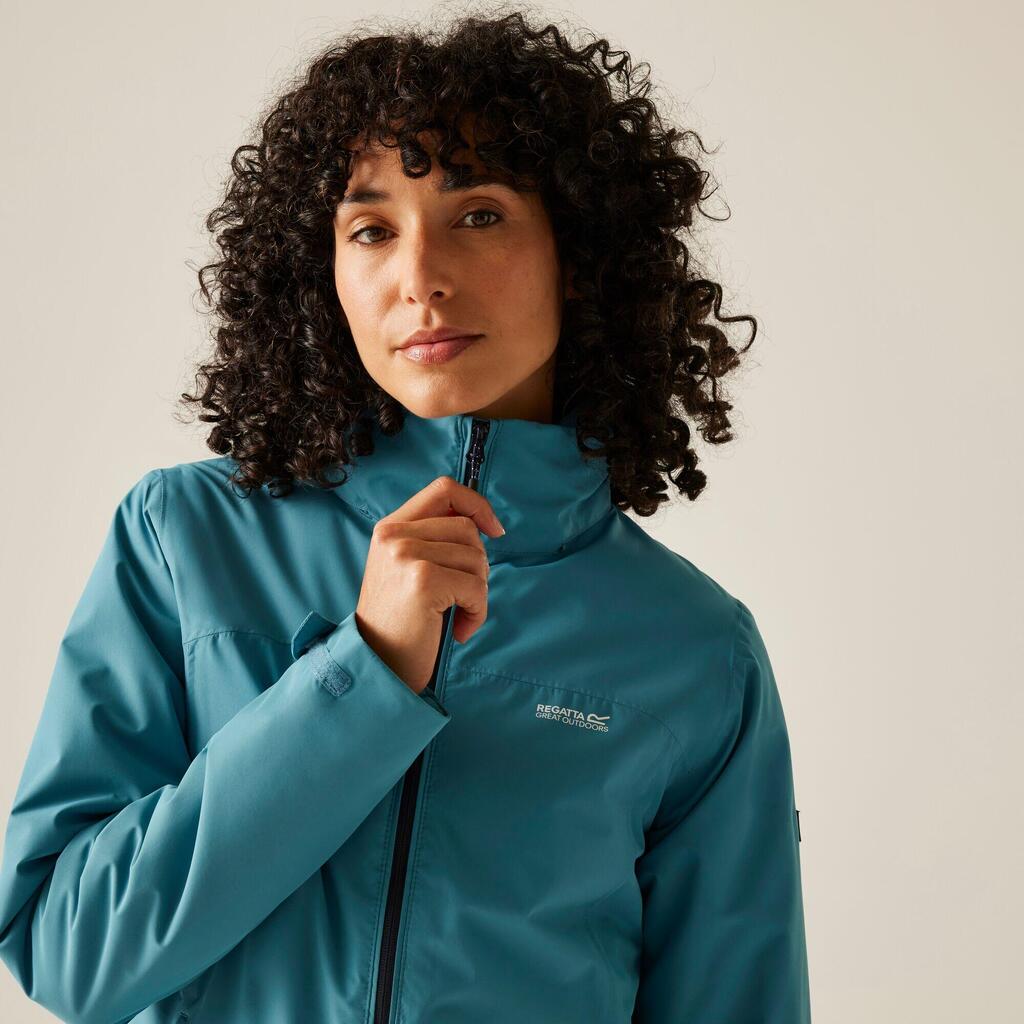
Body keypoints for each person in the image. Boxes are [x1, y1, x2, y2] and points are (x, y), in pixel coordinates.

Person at [0, 10, 811, 1023]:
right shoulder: (185, 538)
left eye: (480, 215)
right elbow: (68, 952)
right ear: (324, 273)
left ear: (579, 253)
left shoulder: (693, 648)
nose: (420, 277)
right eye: (372, 230)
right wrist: (363, 673)